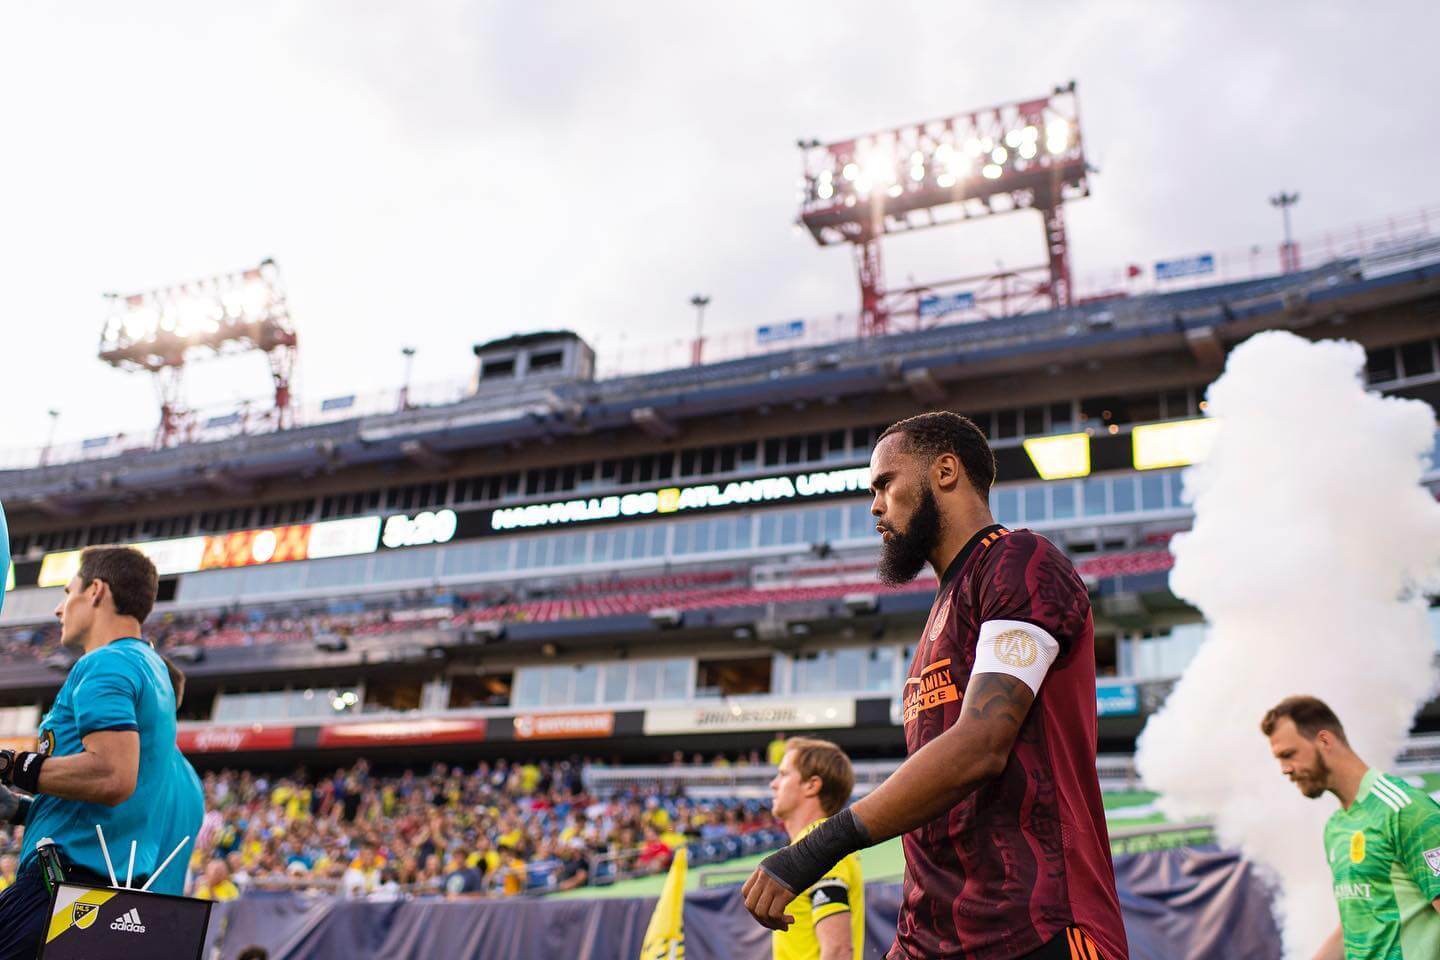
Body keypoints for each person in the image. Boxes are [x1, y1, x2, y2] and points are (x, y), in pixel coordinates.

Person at [744, 411, 1127, 960]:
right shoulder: (938, 617)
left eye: (884, 484)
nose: (874, 505)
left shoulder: (1017, 562)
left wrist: (817, 847)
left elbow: (981, 744)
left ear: (945, 471)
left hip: (1036, 926)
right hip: (934, 937)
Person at [0, 546, 206, 960]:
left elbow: (112, 776)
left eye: (67, 591)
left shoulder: (106, 663)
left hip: (65, 892)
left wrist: (11, 765)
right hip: (118, 908)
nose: (60, 608)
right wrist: (21, 809)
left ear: (95, 591)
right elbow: (111, 807)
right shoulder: (149, 668)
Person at [1262, 695, 1440, 959]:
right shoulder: (1336, 827)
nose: (1285, 769)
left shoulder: (1404, 808)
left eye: (1289, 755)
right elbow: (1354, 928)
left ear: (1324, 740)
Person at [769, 738, 863, 960]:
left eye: (783, 774)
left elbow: (838, 951)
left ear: (812, 785)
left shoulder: (820, 844)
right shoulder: (818, 842)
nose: (773, 784)